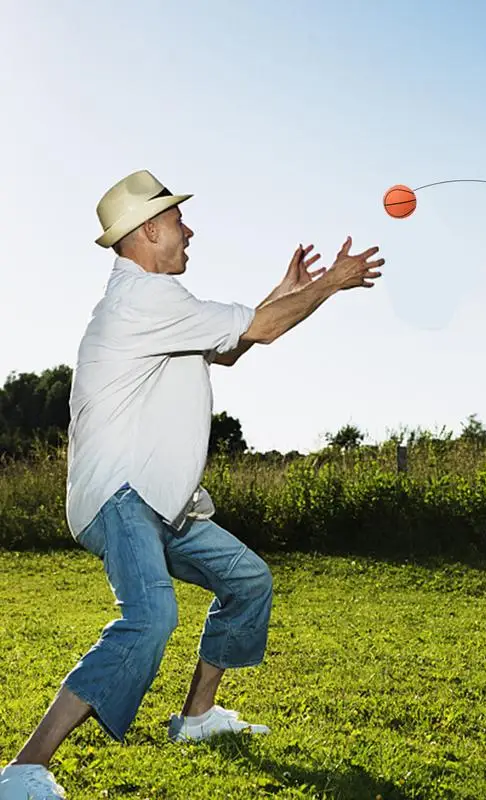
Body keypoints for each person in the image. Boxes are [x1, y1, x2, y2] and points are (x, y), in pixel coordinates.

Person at [0, 169, 384, 800]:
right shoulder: (141, 301)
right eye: (178, 220)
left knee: (247, 579)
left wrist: (287, 292)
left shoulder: (159, 305)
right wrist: (327, 286)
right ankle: (23, 768)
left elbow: (233, 346)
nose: (189, 230)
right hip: (121, 497)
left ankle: (198, 718)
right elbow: (258, 329)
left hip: (160, 502)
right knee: (150, 617)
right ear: (148, 231)